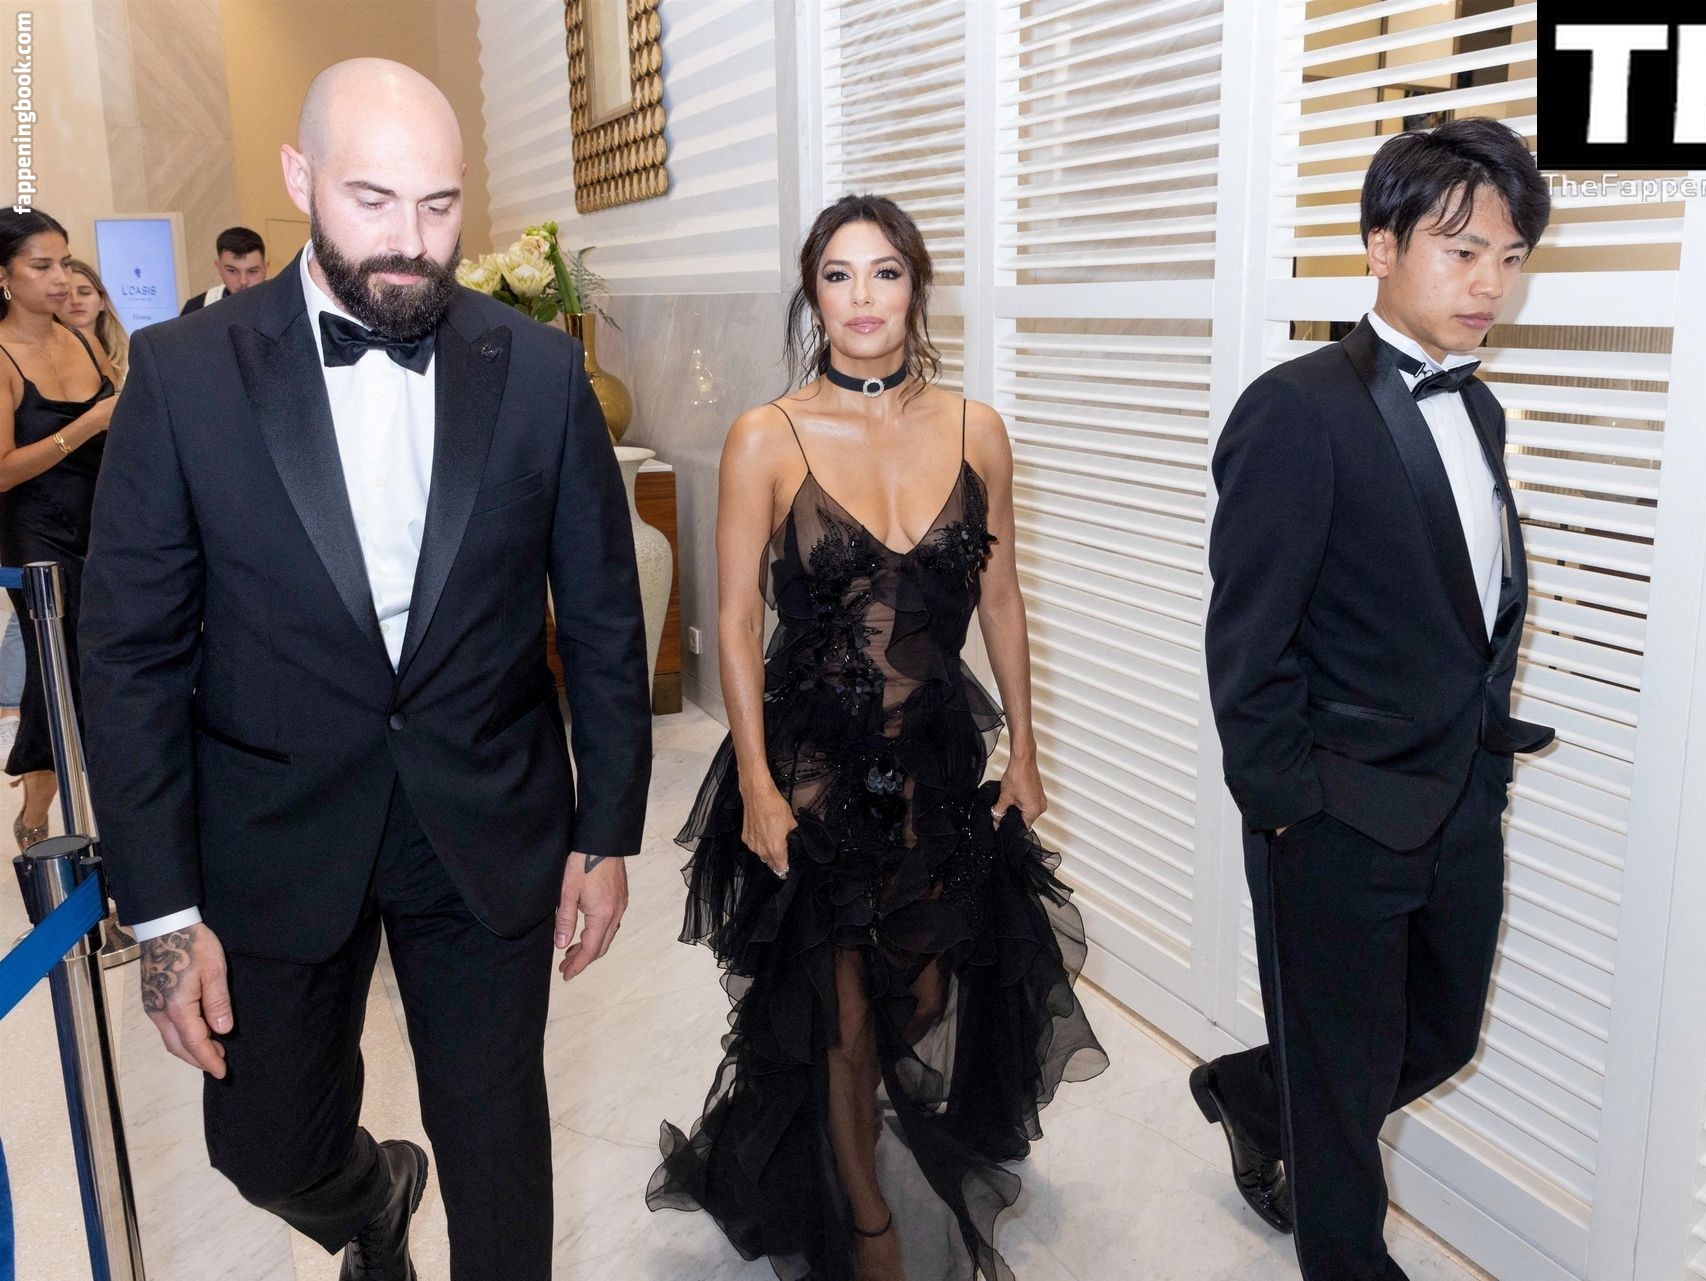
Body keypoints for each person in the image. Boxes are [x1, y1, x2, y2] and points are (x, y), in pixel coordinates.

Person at [80, 59, 651, 1280]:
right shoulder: (183, 375)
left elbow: (605, 616)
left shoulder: (537, 369)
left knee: (498, 1152)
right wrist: (165, 913)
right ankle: (373, 1194)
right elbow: (130, 657)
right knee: (264, 1148)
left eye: (439, 205)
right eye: (373, 199)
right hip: (274, 827)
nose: (411, 241)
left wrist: (606, 832)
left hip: (484, 818)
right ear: (299, 178)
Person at [647, 194, 1107, 1281]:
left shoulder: (977, 429)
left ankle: (857, 1150)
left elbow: (1001, 598)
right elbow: (736, 619)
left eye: (885, 272)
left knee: (927, 985)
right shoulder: (767, 435)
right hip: (812, 763)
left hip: (939, 756)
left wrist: (1026, 750)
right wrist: (756, 782)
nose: (863, 297)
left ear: (917, 288)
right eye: (839, 275)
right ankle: (869, 1231)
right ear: (813, 295)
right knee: (844, 1006)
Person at [1193, 117, 1557, 1281]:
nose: (1489, 283)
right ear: (1380, 246)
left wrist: (1483, 764)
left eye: (1510, 257)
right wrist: (1291, 812)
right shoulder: (1296, 409)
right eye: (1462, 250)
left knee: (1439, 1035)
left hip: (1458, 797)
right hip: (1336, 815)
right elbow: (1247, 641)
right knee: (1346, 1088)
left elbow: (1469, 604)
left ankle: (1261, 1093)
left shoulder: (1480, 408)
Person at [0, 209, 118, 850]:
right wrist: (88, 424)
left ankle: (95, 817)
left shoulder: (82, 340)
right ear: (3, 275)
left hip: (106, 528)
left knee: (102, 673)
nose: (60, 278)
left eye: (65, 263)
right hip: (38, 539)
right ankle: (46, 819)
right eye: (41, 265)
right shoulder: (1, 355)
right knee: (61, 674)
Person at [65, 259, 131, 383]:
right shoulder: (43, 357)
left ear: (102, 302)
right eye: (65, 295)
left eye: (84, 293)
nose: (75, 301)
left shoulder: (131, 356)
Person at [179, 225, 267, 314]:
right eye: (232, 271)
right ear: (219, 268)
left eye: (252, 271)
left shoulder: (276, 302)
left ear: (265, 268)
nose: (243, 281)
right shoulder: (196, 308)